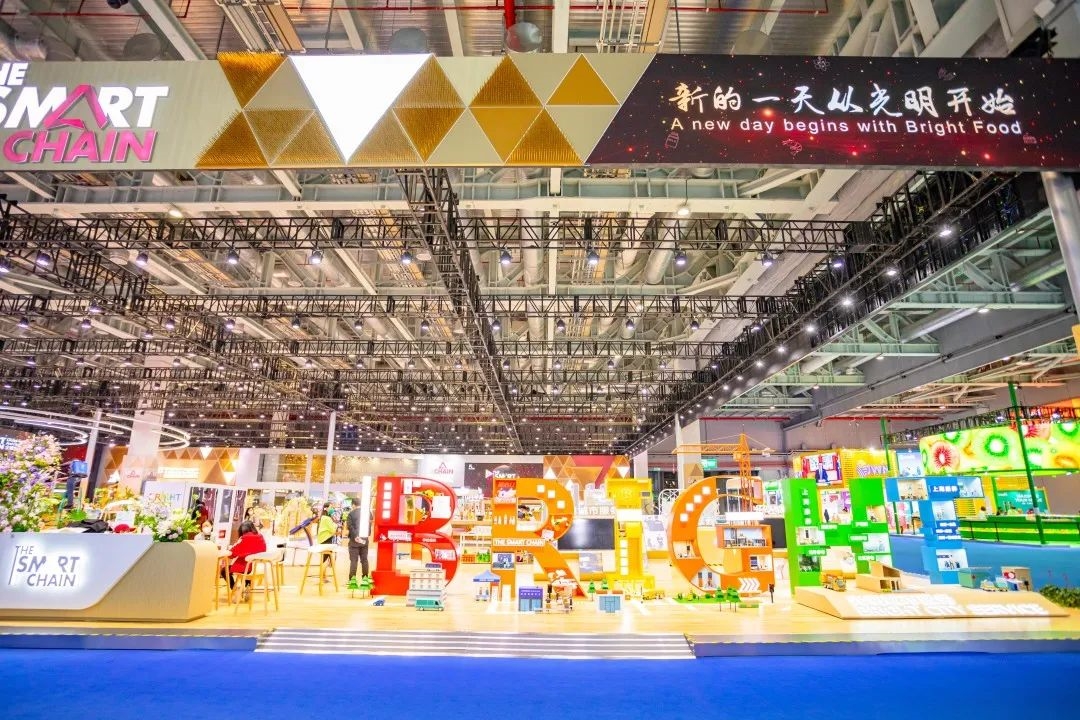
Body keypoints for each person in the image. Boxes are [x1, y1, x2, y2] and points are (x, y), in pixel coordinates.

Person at [225, 520, 267, 592]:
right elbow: (263, 550)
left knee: (224, 570)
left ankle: (234, 588)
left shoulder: (245, 538)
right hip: (258, 567)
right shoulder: (260, 536)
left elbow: (232, 554)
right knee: (247, 566)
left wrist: (236, 544)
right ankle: (248, 587)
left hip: (246, 567)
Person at [346, 502, 370, 581]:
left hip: (354, 541)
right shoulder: (367, 513)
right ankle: (365, 579)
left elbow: (350, 527)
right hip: (364, 540)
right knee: (364, 560)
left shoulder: (351, 514)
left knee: (354, 561)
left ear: (353, 505)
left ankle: (352, 580)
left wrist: (356, 536)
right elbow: (369, 526)